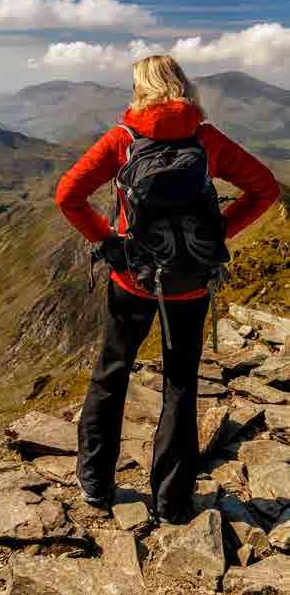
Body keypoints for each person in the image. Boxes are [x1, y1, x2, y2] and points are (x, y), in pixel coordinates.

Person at [55, 55, 280, 524]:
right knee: (181, 385)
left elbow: (68, 195)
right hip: (190, 288)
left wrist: (108, 241)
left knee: (111, 374)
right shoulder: (206, 139)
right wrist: (217, 236)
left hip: (131, 281)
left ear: (140, 89)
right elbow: (264, 189)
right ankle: (172, 501)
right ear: (182, 86)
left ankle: (96, 482)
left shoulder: (124, 139)